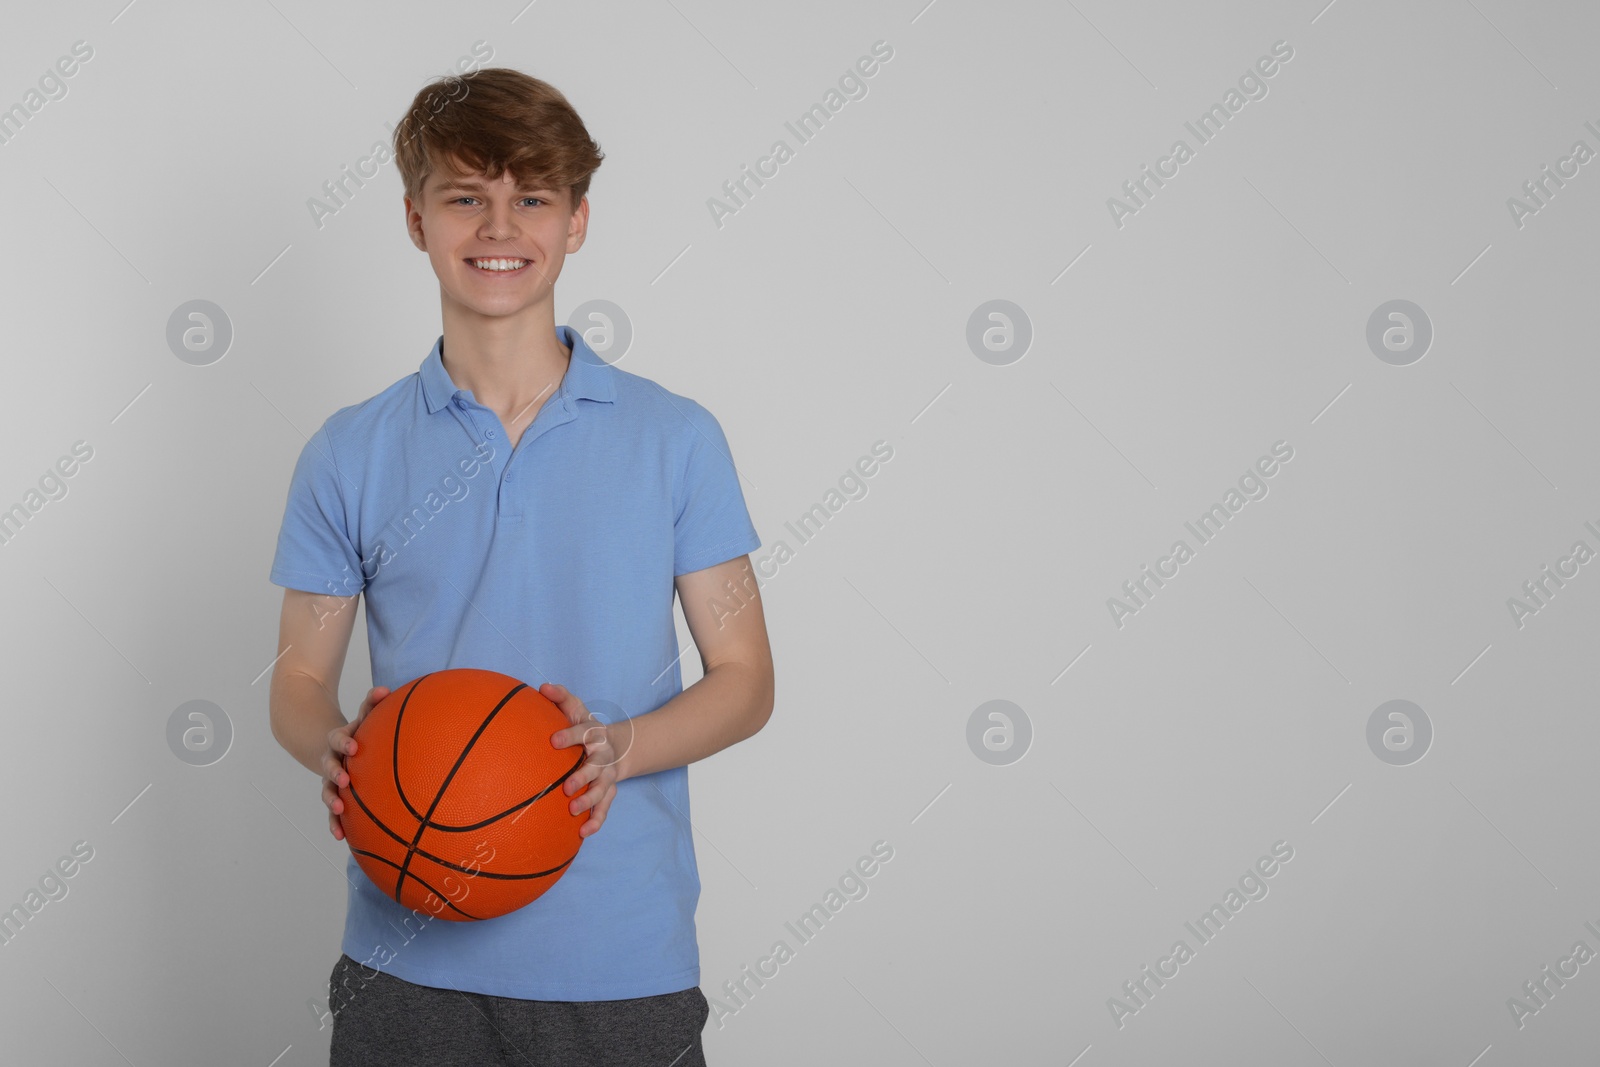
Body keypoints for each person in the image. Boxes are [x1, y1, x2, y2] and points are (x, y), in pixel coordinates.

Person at [266, 66, 775, 1066]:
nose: (498, 228)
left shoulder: (675, 439)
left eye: (530, 198)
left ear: (576, 220)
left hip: (619, 958)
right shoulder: (349, 450)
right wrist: (328, 741)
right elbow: (296, 676)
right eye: (465, 197)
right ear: (417, 219)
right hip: (403, 952)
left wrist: (619, 745)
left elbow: (746, 678)